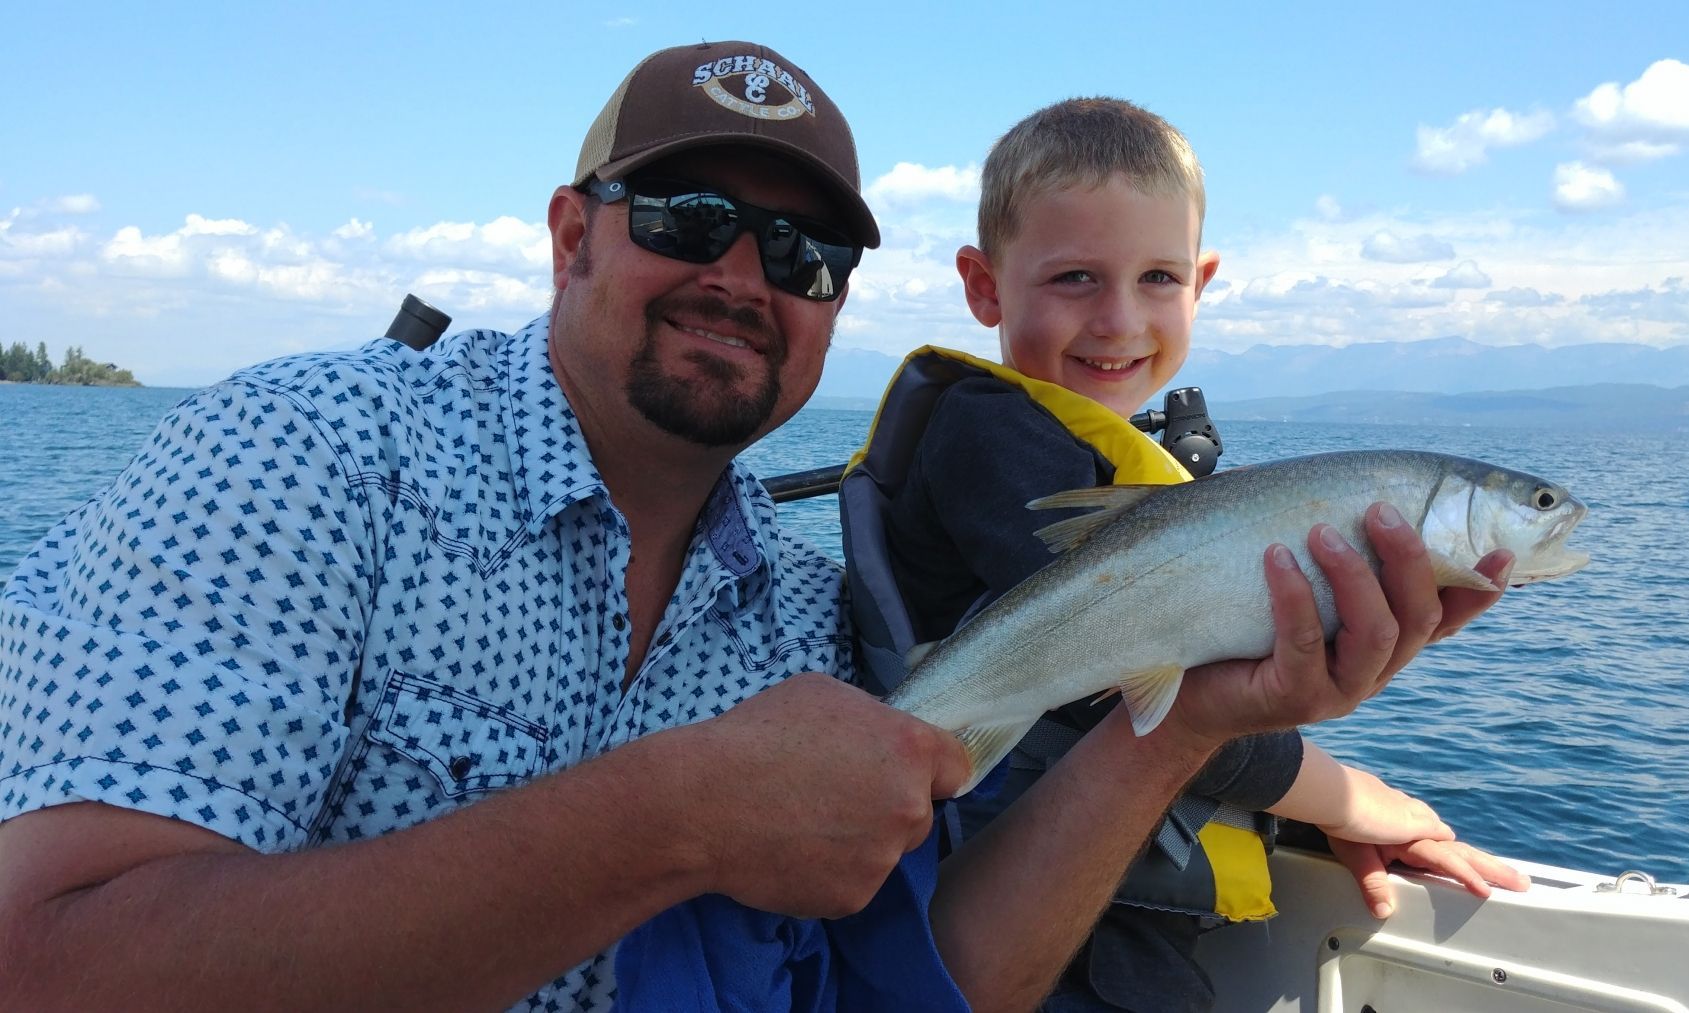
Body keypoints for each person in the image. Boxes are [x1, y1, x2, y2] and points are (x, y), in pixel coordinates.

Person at [0, 40, 1506, 1013]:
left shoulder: (799, 619)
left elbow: (939, 981)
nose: (740, 273)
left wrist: (1185, 728)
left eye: (802, 250)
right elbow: (46, 958)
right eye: (681, 217)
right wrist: (672, 815)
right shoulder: (312, 453)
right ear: (571, 236)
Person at [841, 97, 1529, 1010]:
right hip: (1055, 939)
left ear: (1201, 284)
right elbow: (1124, 678)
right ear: (984, 286)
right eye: (1076, 277)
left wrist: (1314, 814)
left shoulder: (1090, 456)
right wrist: (1350, 799)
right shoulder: (989, 436)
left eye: (1158, 278)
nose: (1119, 319)